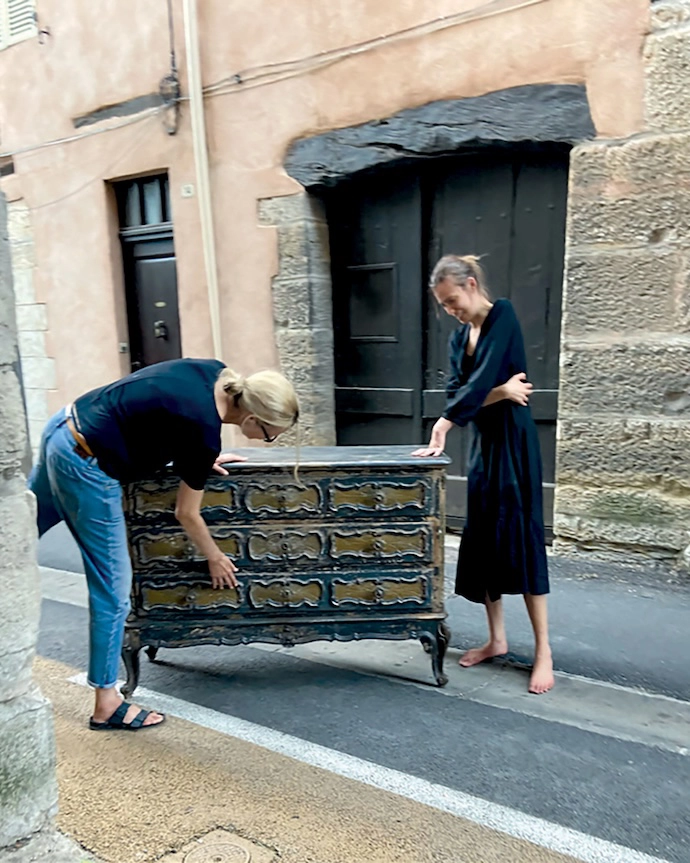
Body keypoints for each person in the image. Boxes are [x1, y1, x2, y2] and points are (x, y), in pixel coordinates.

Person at [29, 359, 299, 729]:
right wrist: (215, 557)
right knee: (112, 589)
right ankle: (107, 703)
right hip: (88, 464)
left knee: (19, 534)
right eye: (271, 434)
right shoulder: (203, 431)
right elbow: (186, 514)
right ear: (251, 419)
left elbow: (157, 408)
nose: (271, 440)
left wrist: (197, 461)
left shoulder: (212, 373)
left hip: (62, 427)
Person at [413, 255, 554, 694]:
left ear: (471, 285)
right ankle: (497, 639)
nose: (450, 310)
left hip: (514, 444)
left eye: (453, 300)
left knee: (522, 538)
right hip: (484, 448)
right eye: (444, 305)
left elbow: (474, 388)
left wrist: (445, 422)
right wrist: (500, 392)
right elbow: (463, 391)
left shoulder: (504, 315)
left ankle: (544, 651)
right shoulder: (459, 339)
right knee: (485, 538)